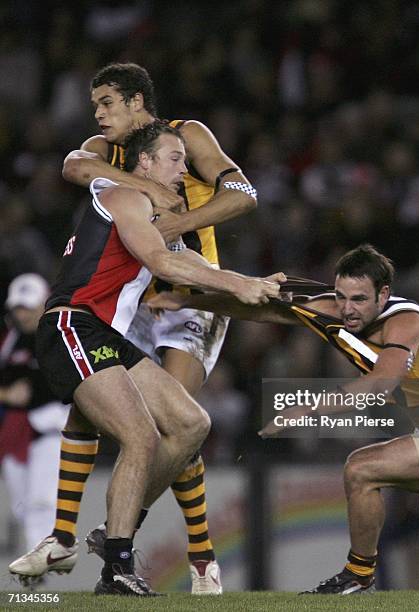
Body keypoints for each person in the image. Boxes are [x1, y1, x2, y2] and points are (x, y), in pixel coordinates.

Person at [8, 122, 280, 596]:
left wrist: (251, 283)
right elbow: (163, 264)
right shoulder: (124, 197)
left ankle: (108, 534)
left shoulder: (148, 212)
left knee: (192, 422)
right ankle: (116, 567)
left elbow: (189, 266)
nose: (184, 167)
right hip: (72, 323)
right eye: (175, 158)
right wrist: (241, 284)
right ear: (146, 163)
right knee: (140, 436)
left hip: (103, 333)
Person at [149, 244, 419, 595]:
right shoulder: (332, 309)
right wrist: (186, 301)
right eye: (341, 296)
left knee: (361, 468)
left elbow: (381, 383)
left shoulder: (407, 322)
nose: (348, 309)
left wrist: (305, 410)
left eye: (359, 300)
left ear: (383, 295)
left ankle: (358, 575)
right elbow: (260, 307)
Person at [59, 62, 259, 594]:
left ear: (135, 100)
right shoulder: (107, 151)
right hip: (142, 301)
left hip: (197, 295)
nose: (97, 113)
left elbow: (245, 194)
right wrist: (140, 185)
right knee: (127, 421)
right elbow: (73, 168)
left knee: (178, 422)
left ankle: (185, 553)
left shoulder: (186, 135)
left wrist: (178, 221)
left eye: (105, 102)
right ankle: (73, 536)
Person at [0, 274, 69, 568]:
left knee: (42, 503)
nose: (23, 314)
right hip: (15, 434)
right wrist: (7, 394)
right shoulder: (9, 341)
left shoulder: (59, 335)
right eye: (18, 308)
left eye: (28, 307)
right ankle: (35, 566)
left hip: (50, 431)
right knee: (21, 508)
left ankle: (38, 574)